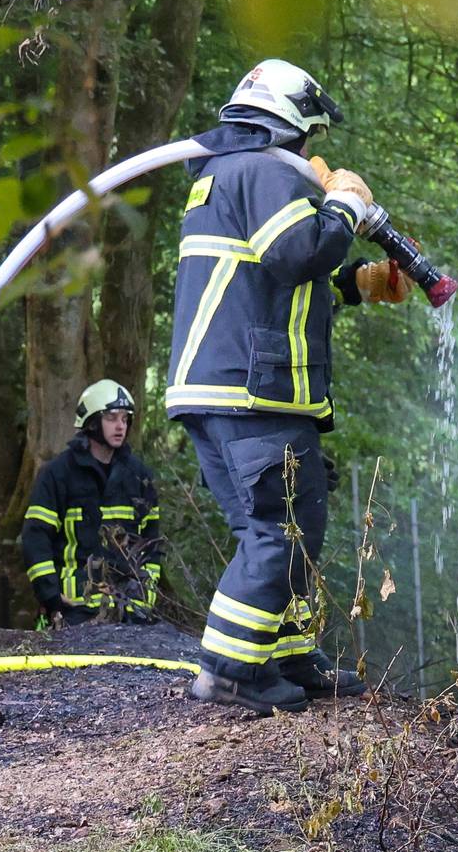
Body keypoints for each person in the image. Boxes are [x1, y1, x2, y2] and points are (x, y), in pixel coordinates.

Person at [165, 59, 417, 713]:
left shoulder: (230, 174)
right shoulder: (264, 169)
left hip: (230, 390)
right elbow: (298, 253)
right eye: (311, 139)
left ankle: (287, 656)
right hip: (252, 394)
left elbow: (275, 282)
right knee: (276, 533)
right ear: (292, 125)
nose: (312, 155)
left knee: (293, 529)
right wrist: (345, 206)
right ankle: (227, 672)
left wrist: (359, 283)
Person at [20, 380, 164, 628]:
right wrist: (51, 596)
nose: (120, 426)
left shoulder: (139, 475)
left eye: (125, 419)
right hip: (73, 611)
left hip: (130, 613)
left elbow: (151, 541)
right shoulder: (57, 474)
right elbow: (35, 538)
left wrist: (146, 595)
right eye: (111, 418)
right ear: (92, 422)